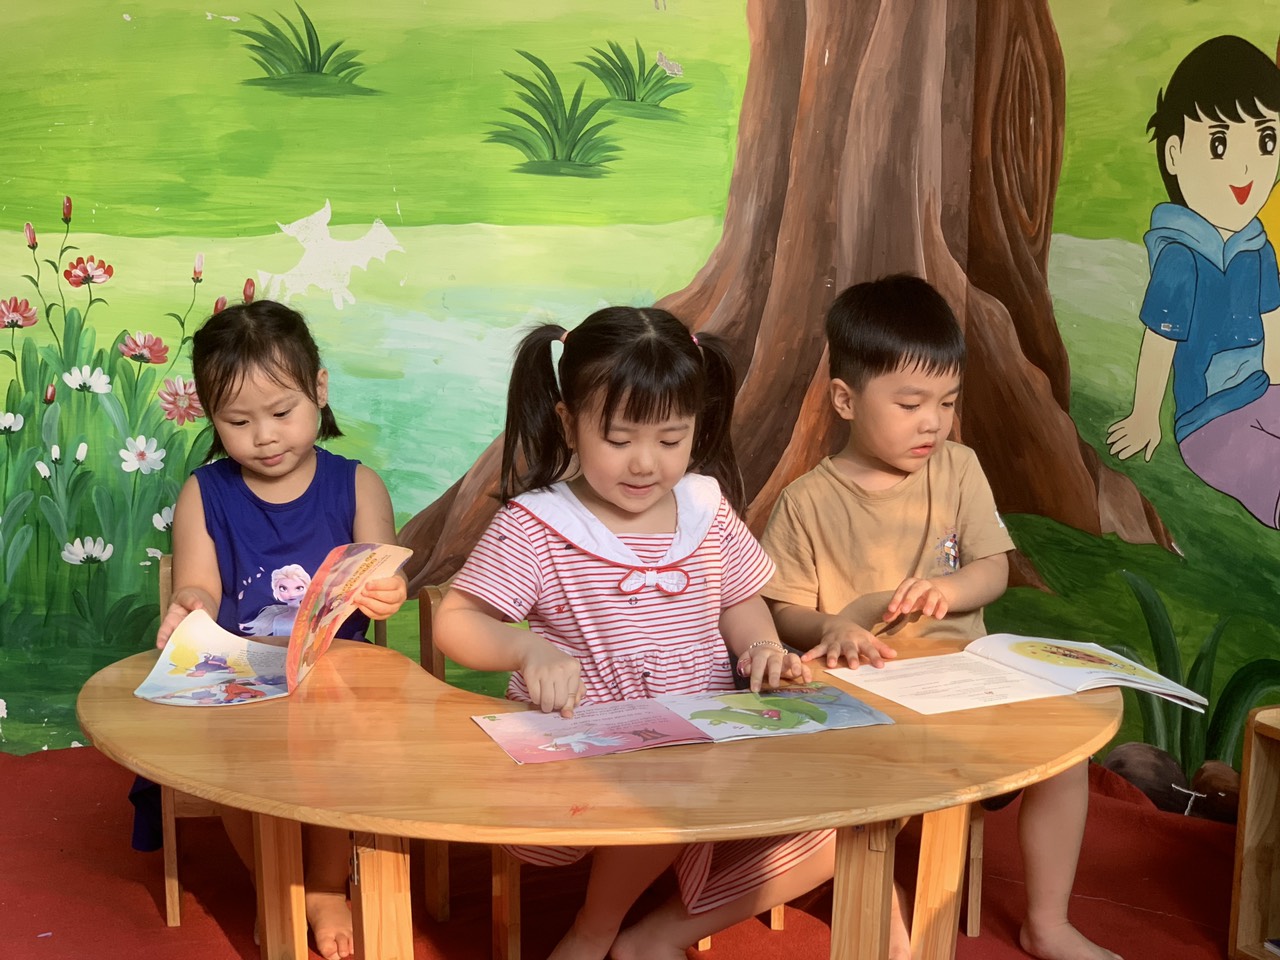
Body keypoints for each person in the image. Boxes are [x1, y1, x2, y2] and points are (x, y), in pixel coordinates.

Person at [433, 306, 835, 960]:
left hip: (708, 741)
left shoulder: (705, 506)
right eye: (619, 439)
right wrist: (526, 648)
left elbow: (738, 600)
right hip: (586, 755)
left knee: (843, 822)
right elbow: (456, 621)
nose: (646, 463)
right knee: (666, 784)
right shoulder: (538, 525)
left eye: (672, 439)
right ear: (569, 423)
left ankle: (653, 936)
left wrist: (761, 645)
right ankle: (595, 929)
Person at [760, 275, 1121, 960]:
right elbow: (782, 611)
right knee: (870, 793)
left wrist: (949, 590)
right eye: (910, 404)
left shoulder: (958, 469)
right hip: (864, 702)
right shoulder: (805, 502)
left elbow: (993, 568)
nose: (933, 421)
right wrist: (833, 628)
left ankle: (1047, 924)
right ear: (845, 399)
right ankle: (879, 903)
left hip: (964, 690)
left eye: (948, 403)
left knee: (1066, 759)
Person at [154, 299, 407, 960]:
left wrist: (386, 591)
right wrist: (189, 606)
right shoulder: (204, 493)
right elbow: (199, 586)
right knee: (232, 761)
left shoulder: (359, 485)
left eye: (281, 412)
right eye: (238, 422)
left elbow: (382, 571)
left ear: (319, 389)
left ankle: (322, 887)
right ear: (211, 415)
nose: (264, 437)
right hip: (243, 678)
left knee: (335, 753)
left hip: (336, 678)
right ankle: (275, 883)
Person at [1108, 35, 1280, 528]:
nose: (1246, 169)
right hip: (1210, 421)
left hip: (1264, 390)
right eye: (1220, 144)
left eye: (1266, 141)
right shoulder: (1181, 258)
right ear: (1175, 154)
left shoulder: (1257, 246)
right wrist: (1146, 415)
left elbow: (1273, 320)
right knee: (1264, 469)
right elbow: (1160, 340)